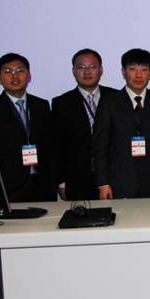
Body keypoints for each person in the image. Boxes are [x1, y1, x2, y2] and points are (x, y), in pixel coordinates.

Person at [0, 52, 55, 202]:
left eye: (20, 71)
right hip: (9, 188)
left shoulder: (42, 106)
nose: (15, 76)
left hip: (42, 186)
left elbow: (51, 145)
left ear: (29, 76)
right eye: (8, 71)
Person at [93, 48, 150, 199]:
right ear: (123, 72)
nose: (138, 75)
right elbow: (100, 147)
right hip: (118, 184)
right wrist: (103, 183)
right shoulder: (109, 103)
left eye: (144, 69)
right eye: (132, 69)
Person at [51, 48, 116, 201]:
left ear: (100, 70)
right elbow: (56, 145)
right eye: (81, 67)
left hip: (113, 176)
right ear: (73, 71)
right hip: (78, 179)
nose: (87, 72)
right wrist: (61, 181)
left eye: (92, 67)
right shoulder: (61, 103)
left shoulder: (116, 97)